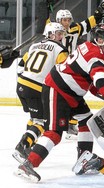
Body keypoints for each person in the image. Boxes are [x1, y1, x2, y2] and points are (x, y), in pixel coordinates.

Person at [16, 24, 104, 181]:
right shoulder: (96, 55)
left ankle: (83, 161)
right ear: (100, 40)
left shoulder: (86, 46)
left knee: (86, 121)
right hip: (58, 90)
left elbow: (89, 78)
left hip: (71, 93)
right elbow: (100, 79)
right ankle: (28, 165)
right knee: (54, 132)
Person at [12, 22, 68, 163]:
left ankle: (29, 144)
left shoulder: (33, 46)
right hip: (37, 88)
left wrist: (24, 82)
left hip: (21, 85)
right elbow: (65, 71)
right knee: (42, 122)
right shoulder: (60, 49)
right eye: (58, 34)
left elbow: (20, 66)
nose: (61, 37)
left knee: (34, 118)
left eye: (62, 34)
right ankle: (23, 146)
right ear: (50, 34)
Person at [54, 1, 104, 138]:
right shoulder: (53, 30)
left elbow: (89, 23)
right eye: (64, 20)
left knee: (75, 93)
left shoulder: (74, 29)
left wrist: (100, 11)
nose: (66, 23)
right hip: (57, 64)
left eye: (68, 20)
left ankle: (69, 123)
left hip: (72, 64)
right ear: (58, 21)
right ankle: (56, 123)